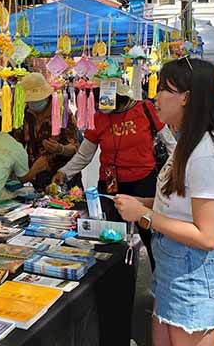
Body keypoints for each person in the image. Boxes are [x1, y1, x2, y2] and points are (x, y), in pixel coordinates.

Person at [113, 58, 214, 346]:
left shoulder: (207, 153)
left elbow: (206, 235)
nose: (155, 97)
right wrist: (142, 202)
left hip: (195, 272)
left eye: (163, 89)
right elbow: (181, 204)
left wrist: (144, 214)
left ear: (186, 97)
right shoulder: (189, 143)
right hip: (176, 266)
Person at [52, 79, 176, 269]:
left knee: (151, 238)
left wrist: (170, 178)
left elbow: (171, 146)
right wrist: (64, 172)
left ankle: (159, 284)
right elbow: (85, 154)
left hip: (143, 184)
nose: (104, 106)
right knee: (109, 238)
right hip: (110, 186)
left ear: (120, 97)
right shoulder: (99, 117)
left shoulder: (145, 109)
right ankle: (115, 282)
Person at [12, 72, 80, 190]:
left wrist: (60, 149)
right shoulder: (23, 113)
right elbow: (17, 145)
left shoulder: (62, 112)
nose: (32, 103)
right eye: (29, 100)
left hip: (62, 175)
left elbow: (75, 148)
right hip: (36, 175)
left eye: (36, 99)